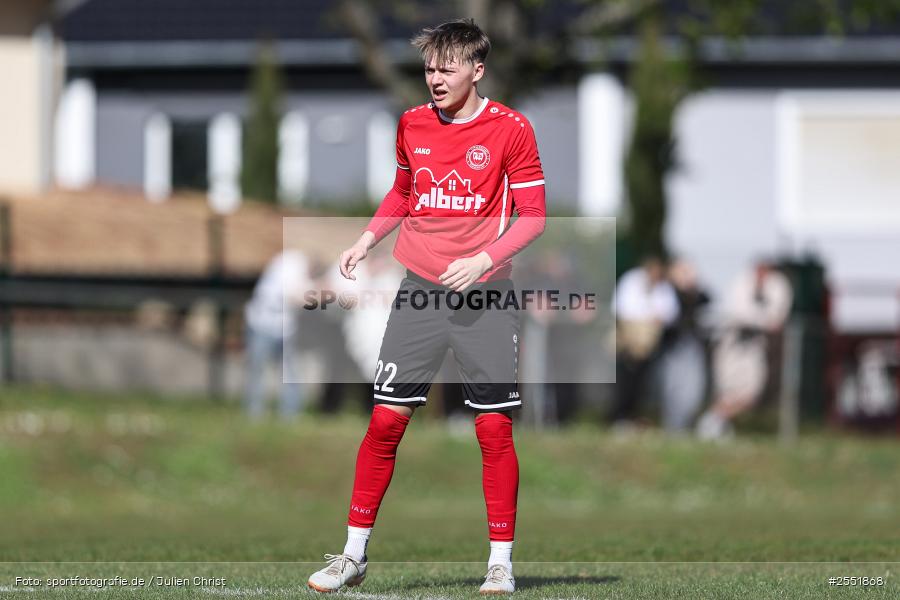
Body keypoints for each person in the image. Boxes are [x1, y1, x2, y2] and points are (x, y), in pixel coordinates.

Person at [306, 19, 546, 595]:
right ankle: (352, 556)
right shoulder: (412, 123)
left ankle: (500, 564)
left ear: (477, 70)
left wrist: (484, 260)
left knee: (493, 429)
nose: (435, 79)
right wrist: (367, 239)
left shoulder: (511, 128)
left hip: (486, 299)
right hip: (420, 294)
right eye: (429, 69)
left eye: (447, 68)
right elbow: (404, 192)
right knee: (385, 421)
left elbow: (534, 217)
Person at [696, 259, 793, 439]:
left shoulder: (777, 285)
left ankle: (714, 421)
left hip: (755, 345)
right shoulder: (741, 282)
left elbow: (775, 318)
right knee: (728, 391)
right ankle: (713, 424)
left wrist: (760, 319)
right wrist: (762, 319)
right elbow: (741, 313)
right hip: (733, 343)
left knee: (751, 393)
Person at [610, 256, 680, 425]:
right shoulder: (631, 281)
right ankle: (619, 416)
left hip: (649, 344)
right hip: (628, 338)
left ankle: (634, 416)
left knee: (642, 382)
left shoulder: (663, 287)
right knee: (624, 379)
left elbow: (670, 312)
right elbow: (621, 307)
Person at [243, 249, 310, 419]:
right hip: (262, 325)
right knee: (257, 369)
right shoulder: (290, 265)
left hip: (285, 328)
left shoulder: (295, 265)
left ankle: (290, 413)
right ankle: (254, 413)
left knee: (289, 372)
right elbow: (290, 296)